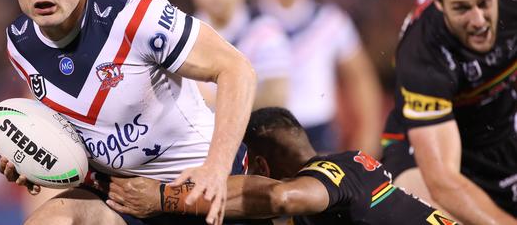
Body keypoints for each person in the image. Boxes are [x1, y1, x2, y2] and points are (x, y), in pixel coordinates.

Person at [0, 0, 257, 225]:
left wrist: (216, 167)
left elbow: (236, 68)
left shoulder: (136, 16)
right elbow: (74, 135)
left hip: (196, 190)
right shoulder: (20, 45)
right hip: (122, 202)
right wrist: (34, 159)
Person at [381, 0, 517, 223]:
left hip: (498, 135)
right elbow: (442, 179)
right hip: (426, 152)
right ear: (441, 2)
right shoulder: (424, 41)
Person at [100, 107, 457, 225]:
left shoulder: (338, 171)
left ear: (260, 166)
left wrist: (165, 198)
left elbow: (281, 198)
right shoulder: (352, 169)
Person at [257, 0, 382, 155]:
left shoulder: (331, 21)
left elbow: (360, 75)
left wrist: (369, 130)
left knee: (319, 185)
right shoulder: (250, 23)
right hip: (263, 128)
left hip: (318, 130)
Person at [189, 0, 291, 110]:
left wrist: (213, 106)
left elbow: (275, 99)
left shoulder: (265, 31)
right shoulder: (183, 32)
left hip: (252, 131)